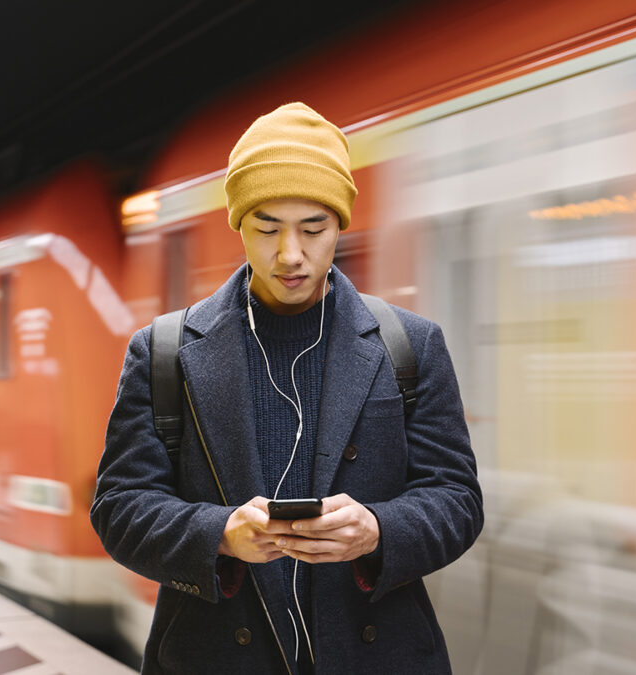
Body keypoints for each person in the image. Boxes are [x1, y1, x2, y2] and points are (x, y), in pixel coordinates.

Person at [90, 102, 483, 674]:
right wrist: (219, 534)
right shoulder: (165, 352)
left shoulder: (410, 344)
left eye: (313, 228)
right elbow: (120, 507)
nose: (290, 254)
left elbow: (458, 499)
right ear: (239, 227)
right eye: (267, 228)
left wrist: (377, 530)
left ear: (340, 225)